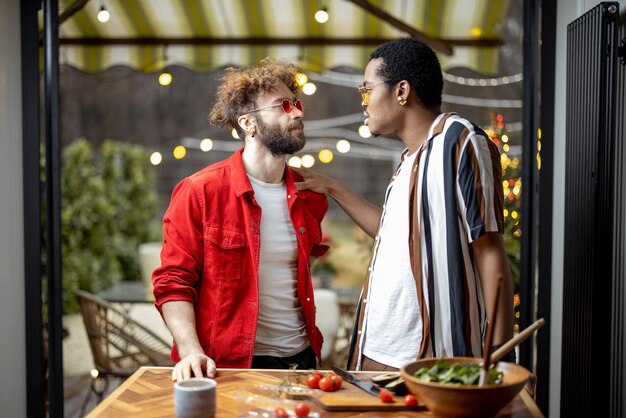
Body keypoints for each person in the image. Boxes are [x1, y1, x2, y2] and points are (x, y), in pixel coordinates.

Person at [294, 38, 515, 371]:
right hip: (375, 349)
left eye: (367, 90)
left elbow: (489, 249)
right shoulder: (408, 161)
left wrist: (501, 356)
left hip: (432, 360)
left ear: (401, 91)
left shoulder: (460, 140)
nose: (364, 102)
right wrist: (333, 188)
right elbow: (392, 233)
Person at [152, 58, 329, 382]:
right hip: (226, 366)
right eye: (284, 105)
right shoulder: (200, 192)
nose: (299, 112)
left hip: (301, 361)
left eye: (298, 103)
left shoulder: (310, 197)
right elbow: (172, 283)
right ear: (248, 123)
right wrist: (191, 350)